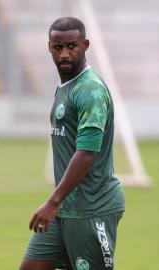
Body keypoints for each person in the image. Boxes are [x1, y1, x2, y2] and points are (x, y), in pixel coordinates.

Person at [19, 17, 125, 270]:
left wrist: (52, 202)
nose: (64, 54)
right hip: (65, 207)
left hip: (92, 208)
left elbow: (87, 153)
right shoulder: (66, 86)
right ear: (49, 47)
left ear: (85, 45)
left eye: (72, 46)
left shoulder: (90, 90)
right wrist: (58, 203)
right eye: (58, 48)